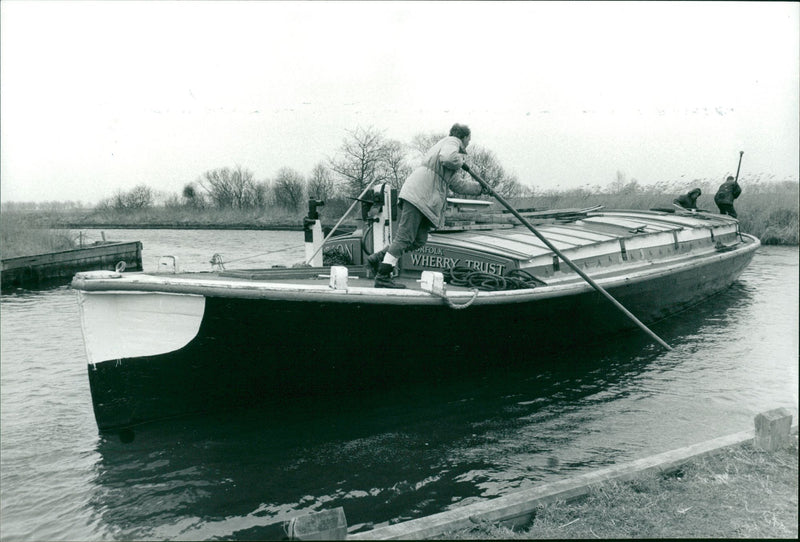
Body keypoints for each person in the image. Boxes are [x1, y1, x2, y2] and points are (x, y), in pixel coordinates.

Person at [366, 123, 485, 288]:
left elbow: (456, 184)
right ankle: (383, 276)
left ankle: (378, 258)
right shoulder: (452, 143)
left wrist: (479, 189)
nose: (468, 144)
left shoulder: (446, 152)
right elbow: (449, 158)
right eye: (469, 140)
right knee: (404, 238)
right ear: (463, 137)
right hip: (418, 196)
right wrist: (462, 160)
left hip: (425, 200)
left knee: (418, 240)